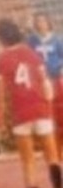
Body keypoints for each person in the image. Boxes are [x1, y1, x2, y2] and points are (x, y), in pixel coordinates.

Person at [0, 17, 63, 188]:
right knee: (52, 157)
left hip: (21, 113)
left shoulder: (2, 59)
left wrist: (2, 118)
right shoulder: (31, 53)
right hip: (41, 107)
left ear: (2, 38)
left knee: (29, 162)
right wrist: (48, 106)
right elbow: (44, 81)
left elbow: (1, 91)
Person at [27, 12, 63, 151]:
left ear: (48, 23)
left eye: (43, 21)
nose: (41, 24)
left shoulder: (57, 40)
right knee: (47, 111)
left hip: (55, 78)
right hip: (41, 80)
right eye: (38, 21)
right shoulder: (32, 41)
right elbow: (29, 57)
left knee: (59, 108)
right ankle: (52, 146)